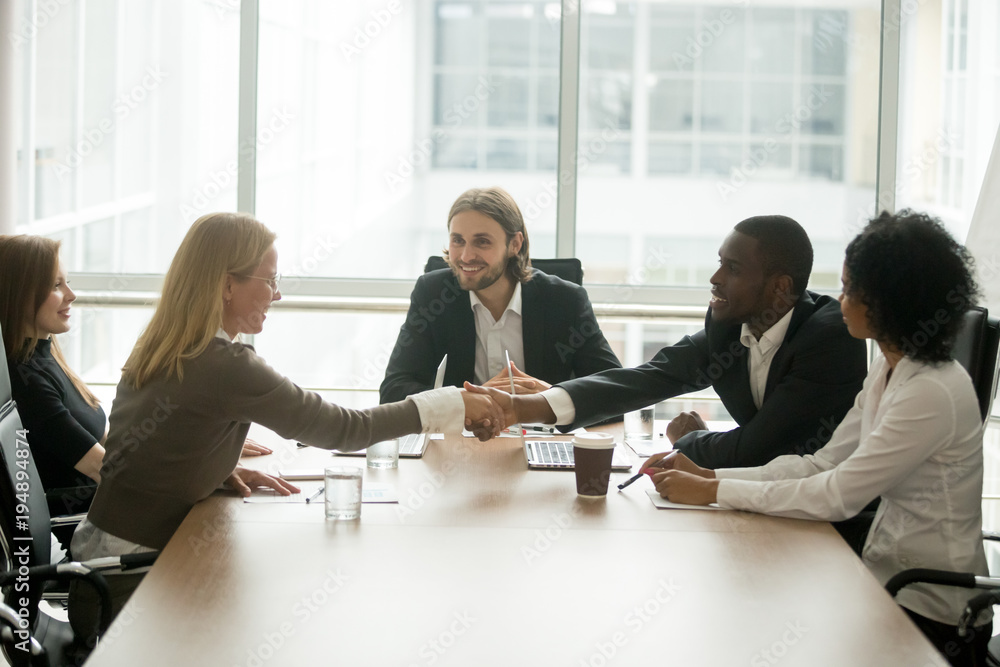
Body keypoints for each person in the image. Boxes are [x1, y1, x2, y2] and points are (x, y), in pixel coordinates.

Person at [68, 212, 504, 631]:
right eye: (270, 281)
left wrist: (217, 469)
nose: (277, 295)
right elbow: (343, 430)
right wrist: (451, 404)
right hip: (129, 587)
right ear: (226, 285)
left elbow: (156, 442)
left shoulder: (166, 341)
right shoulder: (225, 364)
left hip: (100, 562)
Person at [646, 211, 989, 666]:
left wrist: (712, 490)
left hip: (934, 610)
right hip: (882, 582)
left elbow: (839, 496)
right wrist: (710, 472)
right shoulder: (891, 371)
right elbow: (820, 464)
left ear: (891, 301)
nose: (839, 300)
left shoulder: (930, 391)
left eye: (850, 290)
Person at [476, 215, 868, 470]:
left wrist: (687, 441)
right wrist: (523, 408)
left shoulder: (828, 338)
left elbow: (759, 449)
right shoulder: (728, 327)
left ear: (780, 288)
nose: (714, 279)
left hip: (825, 516)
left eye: (732, 269)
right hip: (762, 496)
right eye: (719, 262)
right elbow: (647, 378)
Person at [379, 186, 621, 404]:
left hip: (538, 439)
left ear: (515, 244)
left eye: (482, 242)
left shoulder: (565, 301)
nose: (465, 256)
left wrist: (549, 397)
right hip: (463, 441)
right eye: (458, 240)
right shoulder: (433, 295)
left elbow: (616, 393)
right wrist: (467, 401)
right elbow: (393, 391)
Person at [0, 236, 105, 531]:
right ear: (19, 294)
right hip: (90, 528)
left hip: (105, 513)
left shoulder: (46, 356)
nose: (71, 295)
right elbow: (103, 467)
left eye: (67, 282)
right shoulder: (28, 382)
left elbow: (109, 439)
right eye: (56, 285)